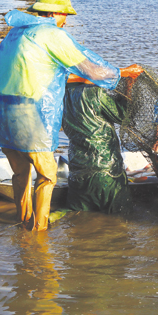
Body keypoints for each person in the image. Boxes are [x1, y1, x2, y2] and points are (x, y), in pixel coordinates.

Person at [0, 0, 142, 231]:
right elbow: (91, 71)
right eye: (64, 15)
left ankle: (22, 223)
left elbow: (56, 74)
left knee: (21, 174)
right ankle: (37, 236)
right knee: (47, 175)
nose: (66, 20)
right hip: (27, 111)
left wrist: (84, 78)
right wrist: (124, 72)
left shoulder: (16, 33)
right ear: (51, 13)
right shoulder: (52, 34)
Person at [61, 73, 140, 214]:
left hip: (77, 172)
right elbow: (123, 115)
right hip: (106, 172)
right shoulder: (94, 93)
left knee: (77, 215)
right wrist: (128, 88)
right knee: (122, 217)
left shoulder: (62, 95)